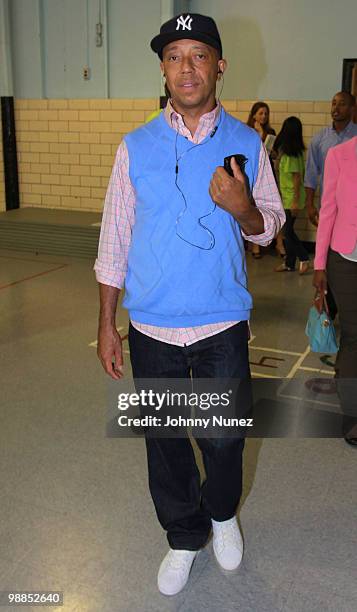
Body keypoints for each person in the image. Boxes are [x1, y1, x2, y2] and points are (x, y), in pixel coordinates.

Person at [94, 13, 284, 597]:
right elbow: (114, 238)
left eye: (198, 55)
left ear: (219, 66)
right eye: (174, 56)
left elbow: (269, 227)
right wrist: (107, 323)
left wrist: (242, 207)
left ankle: (222, 513)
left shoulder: (246, 143)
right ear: (163, 68)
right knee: (167, 440)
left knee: (224, 436)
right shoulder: (136, 146)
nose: (186, 67)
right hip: (151, 324)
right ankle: (183, 536)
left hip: (221, 318)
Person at [313, 136, 357, 446]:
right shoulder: (339, 155)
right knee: (354, 336)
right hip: (345, 258)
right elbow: (327, 210)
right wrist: (319, 265)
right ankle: (352, 416)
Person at [305, 91, 357, 316]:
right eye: (334, 103)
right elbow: (312, 173)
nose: (336, 108)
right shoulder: (320, 140)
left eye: (342, 104)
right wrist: (309, 203)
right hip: (334, 215)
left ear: (352, 108)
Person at [246, 102, 282, 258]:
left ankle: (279, 244)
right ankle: (255, 246)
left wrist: (264, 136)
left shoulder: (271, 132)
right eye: (260, 113)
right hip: (251, 176)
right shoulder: (247, 131)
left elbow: (269, 153)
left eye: (266, 114)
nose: (263, 116)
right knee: (254, 208)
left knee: (271, 207)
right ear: (254, 114)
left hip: (268, 174)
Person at [274, 117, 309, 273]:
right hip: (287, 197)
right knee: (287, 231)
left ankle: (304, 257)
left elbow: (296, 179)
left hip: (291, 198)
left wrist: (295, 202)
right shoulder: (288, 153)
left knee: (288, 232)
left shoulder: (293, 155)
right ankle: (289, 263)